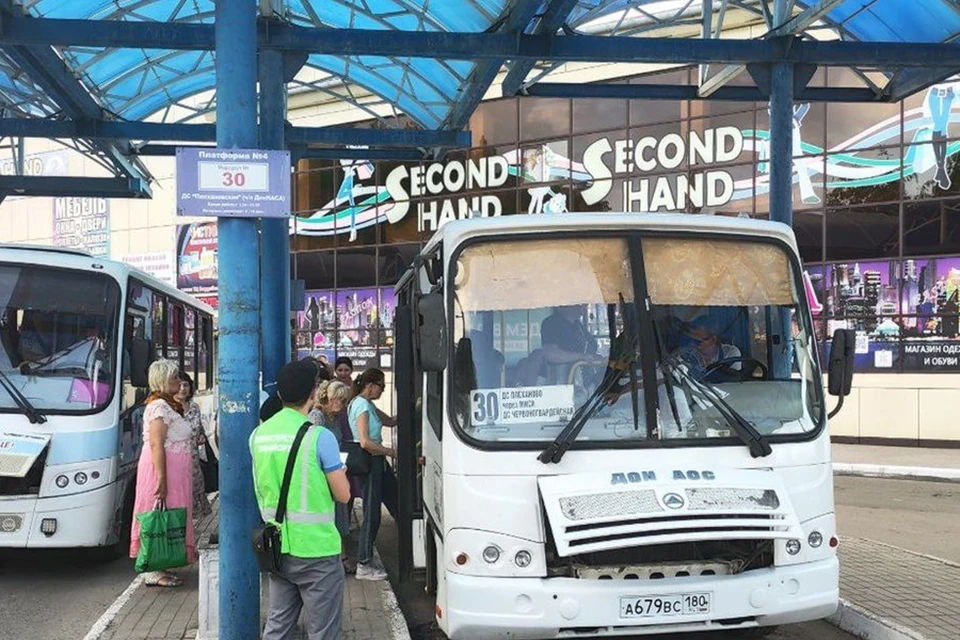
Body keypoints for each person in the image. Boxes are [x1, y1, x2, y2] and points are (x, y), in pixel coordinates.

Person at [251, 360, 351, 640]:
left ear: (280, 395)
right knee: (323, 632)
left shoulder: (258, 435)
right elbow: (343, 495)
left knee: (278, 627)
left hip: (278, 547)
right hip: (317, 549)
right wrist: (340, 473)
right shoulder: (319, 437)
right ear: (313, 393)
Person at [130, 359, 196, 588]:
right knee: (157, 512)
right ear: (162, 380)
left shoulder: (167, 405)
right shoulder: (158, 406)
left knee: (168, 514)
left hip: (174, 470)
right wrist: (161, 478)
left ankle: (161, 560)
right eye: (175, 377)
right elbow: (157, 444)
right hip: (163, 469)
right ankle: (152, 569)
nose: (179, 382)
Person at [348, 368, 397, 581]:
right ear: (370, 385)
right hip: (371, 461)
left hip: (379, 461)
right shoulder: (360, 405)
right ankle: (364, 562)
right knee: (371, 512)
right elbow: (365, 442)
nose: (382, 391)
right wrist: (391, 452)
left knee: (396, 501)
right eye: (382, 386)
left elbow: (391, 421)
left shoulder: (369, 405)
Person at [308, 379, 356, 573]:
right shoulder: (317, 417)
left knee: (341, 513)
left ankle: (339, 555)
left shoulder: (336, 418)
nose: (342, 406)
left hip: (335, 469)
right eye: (340, 400)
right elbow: (311, 447)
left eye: (345, 401)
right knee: (330, 514)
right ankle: (337, 558)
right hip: (322, 474)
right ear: (329, 398)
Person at [176, 372, 212, 519]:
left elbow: (200, 431)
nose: (183, 389)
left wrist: (201, 437)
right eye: (179, 385)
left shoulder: (194, 407)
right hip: (175, 465)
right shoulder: (167, 409)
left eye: (186, 385)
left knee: (192, 512)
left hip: (193, 466)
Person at [540, 305, 606, 384]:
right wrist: (582, 356)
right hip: (561, 384)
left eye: (585, 304)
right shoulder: (551, 323)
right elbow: (551, 354)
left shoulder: (578, 325)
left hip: (583, 381)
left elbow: (589, 347)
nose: (583, 307)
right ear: (564, 305)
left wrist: (595, 358)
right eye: (579, 304)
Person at [333, 357, 363, 509]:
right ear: (335, 371)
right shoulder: (332, 388)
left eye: (346, 370)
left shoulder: (356, 388)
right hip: (337, 431)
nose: (343, 373)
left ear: (351, 370)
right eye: (340, 370)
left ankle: (348, 513)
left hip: (352, 431)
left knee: (351, 476)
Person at [673, 317, 741, 380]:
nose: (692, 344)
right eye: (690, 340)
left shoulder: (729, 353)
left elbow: (734, 381)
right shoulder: (685, 354)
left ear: (713, 340)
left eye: (697, 342)